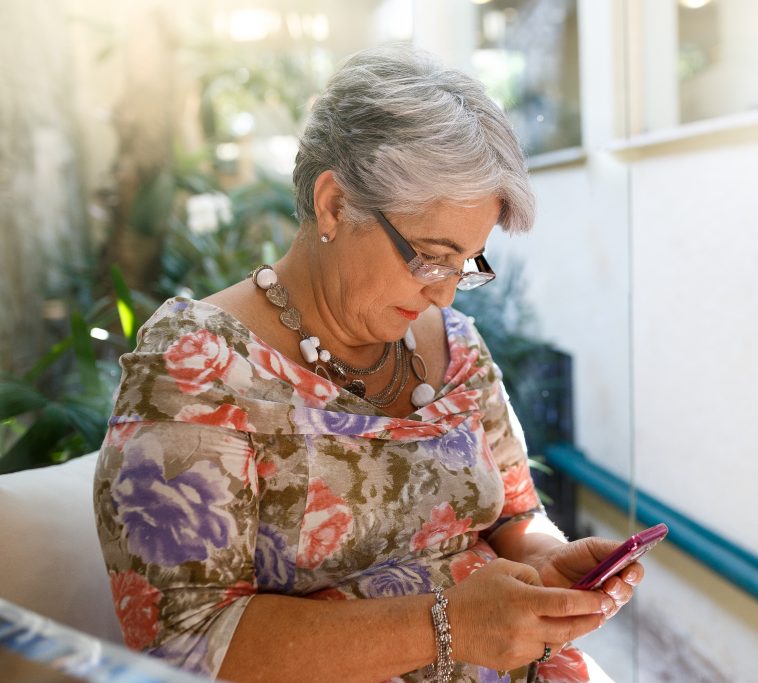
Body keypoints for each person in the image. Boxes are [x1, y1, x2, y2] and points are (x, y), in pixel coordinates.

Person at [93, 45, 645, 683]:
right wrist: (453, 624)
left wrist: (549, 564)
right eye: (430, 256)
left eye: (465, 264)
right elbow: (185, 647)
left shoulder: (454, 341)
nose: (442, 292)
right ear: (333, 205)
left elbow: (515, 515)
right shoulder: (197, 366)